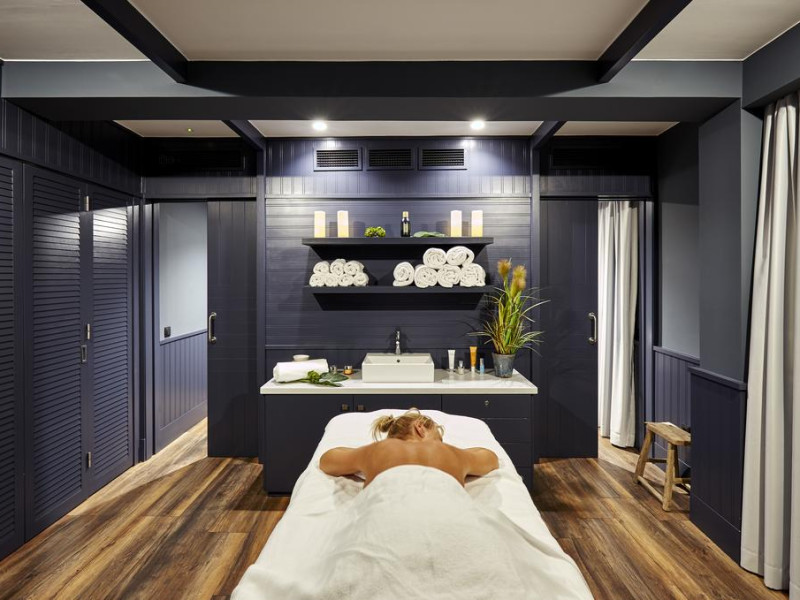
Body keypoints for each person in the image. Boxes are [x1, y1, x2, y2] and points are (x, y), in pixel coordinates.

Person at [319, 408, 499, 486]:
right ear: (420, 427)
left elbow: (327, 460)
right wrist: (457, 453)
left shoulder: (379, 451)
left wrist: (364, 455)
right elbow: (490, 458)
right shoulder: (448, 453)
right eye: (439, 437)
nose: (440, 443)